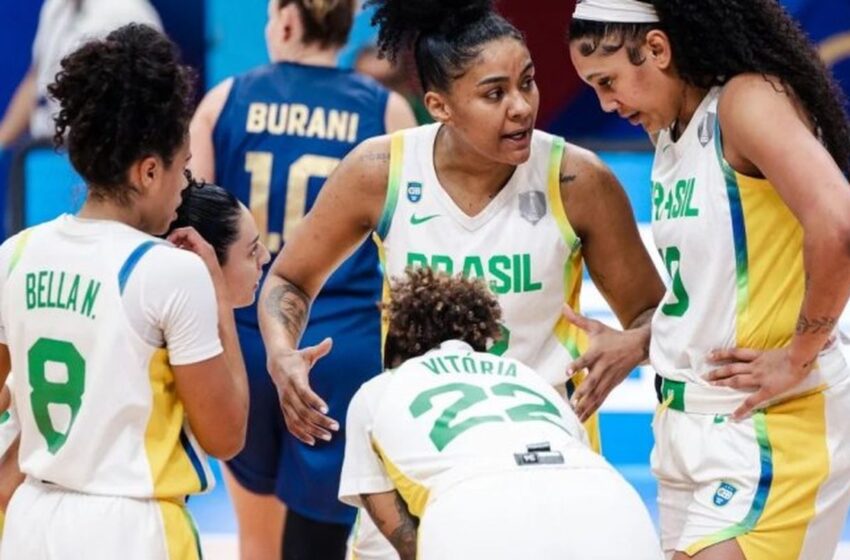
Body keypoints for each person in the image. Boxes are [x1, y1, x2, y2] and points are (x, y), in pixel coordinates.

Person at [258, 0, 665, 556]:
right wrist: (281, 351)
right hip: (415, 463)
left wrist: (632, 344)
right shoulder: (382, 171)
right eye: (495, 93)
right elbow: (290, 280)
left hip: (541, 469)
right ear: (438, 105)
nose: (522, 107)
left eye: (528, 82)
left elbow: (652, 314)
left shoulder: (577, 178)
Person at [568, 1, 850, 559]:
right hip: (684, 430)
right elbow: (719, 284)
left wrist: (799, 354)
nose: (606, 104)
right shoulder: (672, 132)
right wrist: (644, 341)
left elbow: (838, 223)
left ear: (656, 49)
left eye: (608, 82)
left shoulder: (746, 102)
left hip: (765, 430)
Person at [0, 24, 249, 559]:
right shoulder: (168, 273)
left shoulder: (13, 255)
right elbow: (225, 436)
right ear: (149, 171)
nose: (187, 184)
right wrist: (219, 299)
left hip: (32, 521)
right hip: (133, 530)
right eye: (183, 168)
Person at [189, 0, 417, 557]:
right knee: (323, 541)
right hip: (342, 346)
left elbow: (192, 237)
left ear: (286, 21)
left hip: (247, 341)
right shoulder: (386, 111)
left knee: (257, 541)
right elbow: (414, 247)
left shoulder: (224, 102)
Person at [339, 267, 663, 560]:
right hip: (612, 504)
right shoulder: (531, 379)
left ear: (399, 348)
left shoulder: (378, 391)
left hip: (477, 511)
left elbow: (403, 541)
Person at [0, 0, 161, 151]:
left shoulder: (128, 12)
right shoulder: (56, 6)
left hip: (100, 159)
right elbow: (36, 80)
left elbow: (149, 101)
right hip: (49, 153)